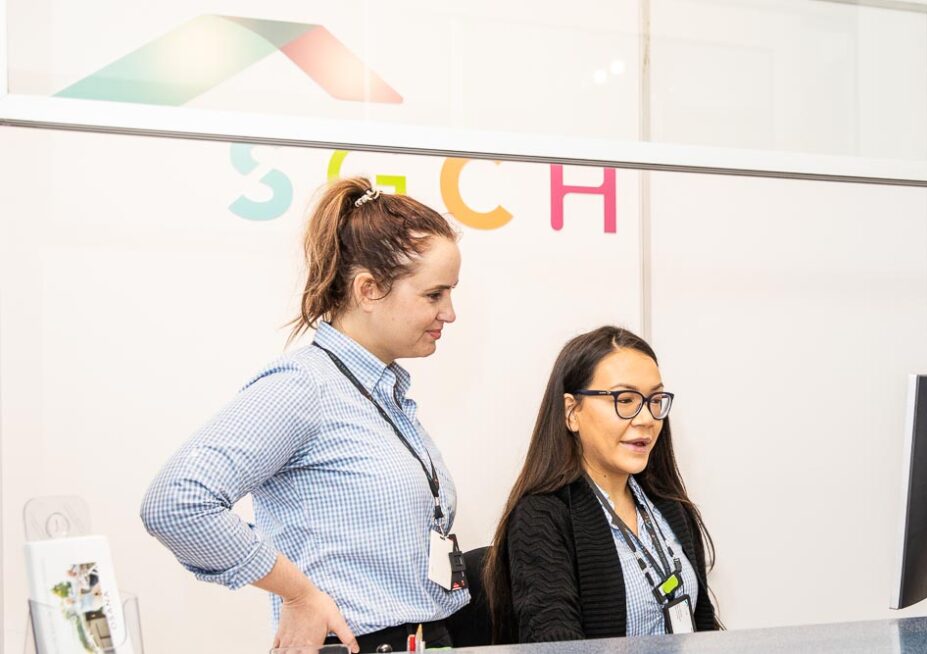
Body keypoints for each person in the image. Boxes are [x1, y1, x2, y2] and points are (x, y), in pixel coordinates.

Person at [140, 177, 468, 652]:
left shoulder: (382, 393)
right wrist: (298, 593)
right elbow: (176, 503)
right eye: (434, 295)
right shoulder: (304, 387)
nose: (450, 313)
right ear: (368, 289)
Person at [483, 326, 720, 643]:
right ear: (572, 412)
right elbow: (556, 644)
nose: (646, 418)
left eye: (655, 399)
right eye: (625, 399)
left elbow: (705, 632)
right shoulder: (541, 517)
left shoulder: (668, 506)